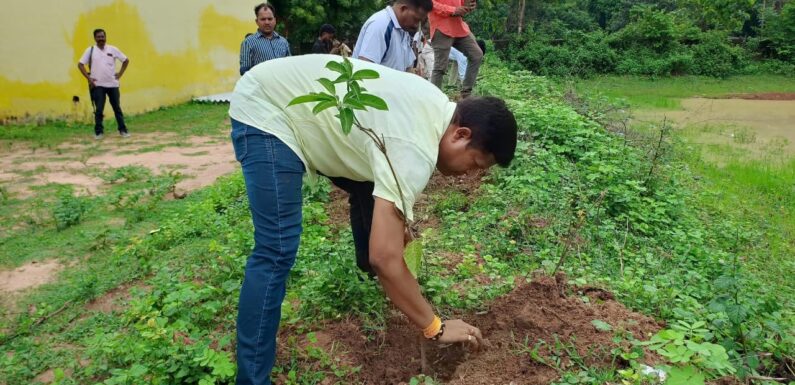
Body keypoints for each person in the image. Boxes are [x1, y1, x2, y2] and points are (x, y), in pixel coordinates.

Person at [229, 54, 517, 385]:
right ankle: (252, 379)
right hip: (269, 108)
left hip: (292, 97)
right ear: (460, 134)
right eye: (476, 164)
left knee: (374, 198)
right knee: (276, 249)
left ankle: (378, 284)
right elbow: (385, 256)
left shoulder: (435, 108)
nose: (469, 175)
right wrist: (434, 326)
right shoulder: (417, 148)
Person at [78, 28, 130, 140]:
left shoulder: (113, 49)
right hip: (98, 85)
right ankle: (99, 132)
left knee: (117, 108)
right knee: (99, 110)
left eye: (102, 36)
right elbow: (80, 64)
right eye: (98, 37)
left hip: (113, 84)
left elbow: (126, 60)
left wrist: (120, 74)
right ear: (95, 38)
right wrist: (89, 79)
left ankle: (123, 130)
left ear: (105, 37)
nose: (101, 38)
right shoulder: (90, 50)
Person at [352, 0, 433, 72]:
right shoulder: (380, 25)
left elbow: (407, 68)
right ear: (403, 9)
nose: (416, 25)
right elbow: (364, 71)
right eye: (416, 19)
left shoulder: (404, 31)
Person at [429, 0, 483, 98]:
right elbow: (430, 4)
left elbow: (460, 3)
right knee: (440, 67)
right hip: (441, 28)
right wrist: (453, 10)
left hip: (459, 27)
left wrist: (467, 6)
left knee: (476, 54)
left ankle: (466, 94)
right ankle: (434, 98)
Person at [239, 3, 290, 75]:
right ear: (257, 21)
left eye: (270, 19)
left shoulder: (283, 42)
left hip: (281, 85)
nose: (267, 22)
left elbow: (290, 67)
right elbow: (244, 72)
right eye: (263, 19)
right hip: (261, 85)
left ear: (275, 20)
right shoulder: (248, 43)